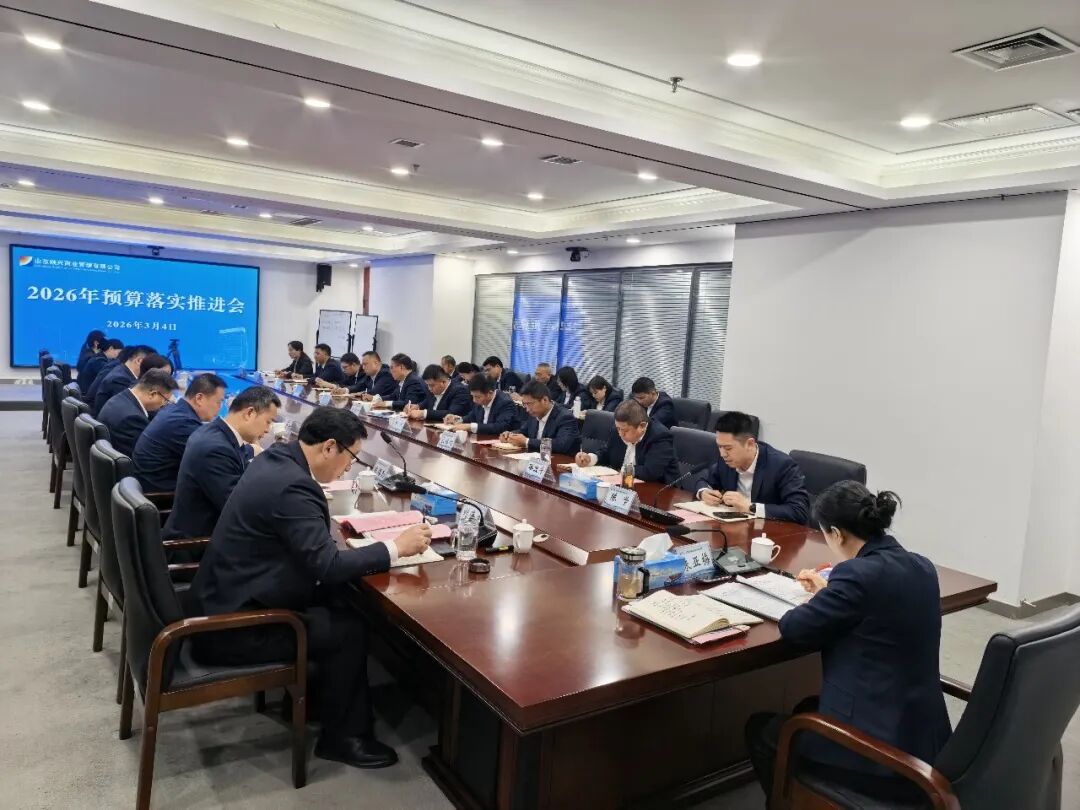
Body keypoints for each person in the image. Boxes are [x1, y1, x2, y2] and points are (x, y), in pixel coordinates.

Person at [190, 407, 432, 769]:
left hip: (228, 596)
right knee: (347, 629)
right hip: (233, 627)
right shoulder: (293, 485)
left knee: (340, 604)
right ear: (329, 447)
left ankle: (320, 702)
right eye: (351, 457)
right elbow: (328, 565)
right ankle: (344, 739)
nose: (350, 468)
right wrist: (395, 548)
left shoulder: (277, 459)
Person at [745, 484, 950, 804]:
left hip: (878, 757)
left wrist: (821, 599)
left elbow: (794, 629)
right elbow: (878, 606)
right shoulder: (922, 566)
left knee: (762, 729)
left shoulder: (856, 575)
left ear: (837, 534)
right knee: (805, 708)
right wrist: (831, 593)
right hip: (926, 744)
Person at [163, 385, 281, 540]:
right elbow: (238, 509)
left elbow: (238, 457)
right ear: (250, 413)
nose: (267, 430)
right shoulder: (216, 449)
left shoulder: (214, 431)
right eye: (268, 422)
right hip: (196, 542)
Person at [694, 411, 809, 523]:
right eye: (720, 447)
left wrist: (751, 507)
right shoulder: (727, 459)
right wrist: (703, 493)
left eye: (728, 448)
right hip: (733, 526)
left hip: (767, 531)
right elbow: (704, 481)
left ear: (749, 444)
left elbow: (799, 511)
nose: (722, 454)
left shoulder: (782, 465)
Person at [132, 373, 227, 492]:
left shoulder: (175, 411)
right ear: (199, 398)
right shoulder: (183, 423)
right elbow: (216, 458)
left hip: (150, 482)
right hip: (160, 493)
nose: (220, 407)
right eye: (219, 402)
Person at [574, 399, 679, 483]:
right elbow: (607, 452)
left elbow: (651, 472)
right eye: (618, 429)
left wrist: (623, 470)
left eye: (625, 430)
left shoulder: (660, 436)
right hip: (621, 485)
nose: (620, 434)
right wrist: (590, 459)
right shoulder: (617, 430)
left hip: (658, 491)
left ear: (642, 426)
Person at [96, 369, 178, 457]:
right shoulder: (132, 419)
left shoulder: (121, 398)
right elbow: (146, 454)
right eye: (165, 400)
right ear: (152, 394)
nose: (164, 404)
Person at [501, 380, 580, 455]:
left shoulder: (565, 417)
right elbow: (524, 431)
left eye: (530, 404)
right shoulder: (534, 413)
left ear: (545, 400)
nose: (527, 409)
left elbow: (561, 444)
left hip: (559, 462)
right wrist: (510, 435)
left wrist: (527, 442)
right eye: (525, 404)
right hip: (535, 459)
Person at [91, 345, 155, 416]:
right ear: (139, 361)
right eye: (153, 367)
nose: (154, 372)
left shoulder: (121, 371)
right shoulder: (121, 379)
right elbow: (131, 410)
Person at [447, 373, 521, 435]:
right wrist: (458, 419)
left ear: (490, 393)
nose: (474, 400)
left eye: (477, 397)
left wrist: (470, 426)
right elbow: (472, 416)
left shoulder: (505, 403)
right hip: (481, 440)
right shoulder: (479, 400)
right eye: (472, 396)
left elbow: (499, 427)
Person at [404, 364, 472, 422]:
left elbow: (452, 413)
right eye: (428, 385)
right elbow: (428, 401)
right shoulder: (431, 389)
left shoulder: (460, 390)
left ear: (443, 382)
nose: (429, 388)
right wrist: (417, 406)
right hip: (430, 426)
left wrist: (424, 413)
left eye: (432, 385)